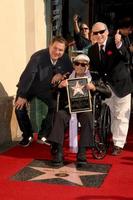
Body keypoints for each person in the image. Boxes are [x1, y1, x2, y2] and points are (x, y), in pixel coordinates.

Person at [48, 54, 111, 166]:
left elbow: (108, 92)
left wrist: (95, 87)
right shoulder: (67, 77)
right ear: (74, 65)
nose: (80, 66)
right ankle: (59, 151)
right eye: (77, 64)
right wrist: (60, 86)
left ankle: (82, 152)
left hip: (86, 109)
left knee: (87, 117)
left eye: (83, 64)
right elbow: (53, 93)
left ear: (88, 66)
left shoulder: (94, 78)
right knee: (59, 115)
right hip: (69, 108)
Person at [15, 36, 73, 147]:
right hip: (30, 86)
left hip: (46, 89)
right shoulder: (38, 57)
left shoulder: (65, 58)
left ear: (64, 50)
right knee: (19, 108)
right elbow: (28, 76)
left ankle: (44, 135)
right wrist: (22, 95)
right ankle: (27, 135)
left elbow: (70, 72)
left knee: (55, 106)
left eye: (60, 50)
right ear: (50, 46)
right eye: (55, 48)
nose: (57, 52)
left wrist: (61, 74)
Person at [88, 22, 133, 156]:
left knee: (121, 115)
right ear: (92, 35)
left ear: (107, 32)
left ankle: (118, 143)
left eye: (102, 32)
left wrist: (119, 44)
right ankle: (112, 138)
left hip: (121, 84)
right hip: (105, 87)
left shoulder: (116, 41)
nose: (99, 35)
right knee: (111, 114)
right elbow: (94, 70)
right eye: (96, 33)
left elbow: (127, 57)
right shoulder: (92, 50)